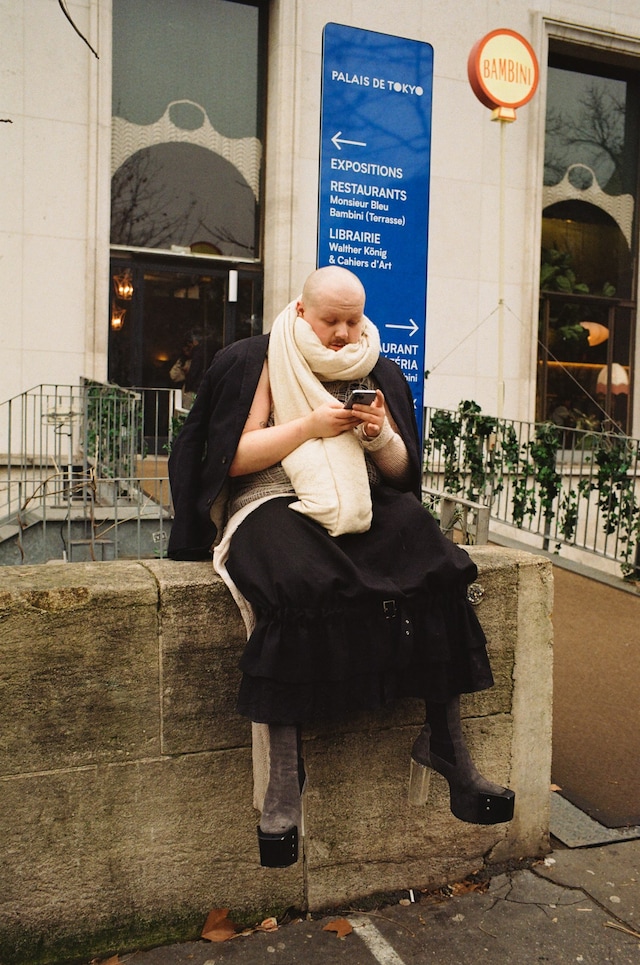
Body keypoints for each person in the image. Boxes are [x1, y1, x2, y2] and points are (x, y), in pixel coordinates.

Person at [168, 266, 514, 868]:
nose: (343, 333)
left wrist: (379, 436)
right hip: (269, 500)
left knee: (434, 559)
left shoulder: (376, 367)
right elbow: (232, 458)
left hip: (366, 501)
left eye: (353, 320)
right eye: (331, 320)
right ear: (302, 312)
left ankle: (446, 744)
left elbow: (405, 479)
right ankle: (283, 777)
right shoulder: (258, 358)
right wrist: (309, 428)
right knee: (299, 581)